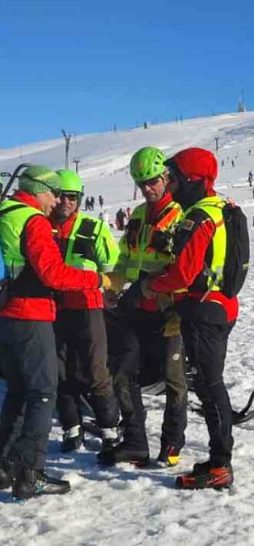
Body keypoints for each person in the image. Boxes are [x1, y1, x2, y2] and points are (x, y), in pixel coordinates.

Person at [0, 165, 110, 500]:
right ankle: (30, 473)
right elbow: (53, 274)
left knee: (18, 391)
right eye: (53, 194)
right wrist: (96, 280)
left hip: (5, 314)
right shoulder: (33, 220)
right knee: (43, 392)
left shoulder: (5, 212)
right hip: (30, 314)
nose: (56, 202)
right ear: (37, 190)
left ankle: (4, 465)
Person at [147, 147, 241, 489]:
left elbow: (183, 274)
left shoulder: (199, 216)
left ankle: (220, 464)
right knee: (210, 383)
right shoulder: (224, 209)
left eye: (172, 177)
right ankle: (219, 460)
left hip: (203, 309)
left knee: (209, 385)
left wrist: (151, 284)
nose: (168, 183)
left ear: (191, 179)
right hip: (224, 305)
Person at [99, 147, 187, 469]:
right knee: (123, 372)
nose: (147, 188)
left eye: (151, 181)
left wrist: (179, 309)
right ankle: (136, 441)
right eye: (141, 183)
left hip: (169, 311)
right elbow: (125, 259)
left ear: (165, 177)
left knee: (174, 379)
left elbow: (186, 268)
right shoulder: (137, 215)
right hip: (135, 308)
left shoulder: (181, 215)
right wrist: (111, 284)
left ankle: (172, 442)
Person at [51, 169, 121, 455]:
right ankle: (71, 427)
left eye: (72, 197)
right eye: (60, 196)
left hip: (88, 307)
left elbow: (112, 268)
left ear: (79, 199)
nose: (65, 202)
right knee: (60, 371)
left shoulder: (94, 228)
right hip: (54, 309)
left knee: (96, 369)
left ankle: (109, 430)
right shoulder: (43, 228)